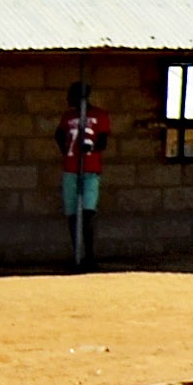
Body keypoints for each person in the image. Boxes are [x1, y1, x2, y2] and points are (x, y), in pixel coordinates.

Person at [56, 82, 108, 273]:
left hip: (90, 169)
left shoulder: (100, 115)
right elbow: (59, 134)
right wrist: (65, 150)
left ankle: (89, 256)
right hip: (71, 169)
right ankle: (76, 254)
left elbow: (103, 141)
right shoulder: (68, 117)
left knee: (87, 213)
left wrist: (91, 148)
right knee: (72, 215)